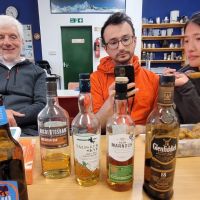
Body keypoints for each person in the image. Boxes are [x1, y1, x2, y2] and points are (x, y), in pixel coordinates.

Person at [90, 12, 159, 131]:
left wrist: (139, 129)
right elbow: (94, 128)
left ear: (135, 41)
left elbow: (160, 123)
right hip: (109, 144)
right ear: (105, 48)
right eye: (113, 42)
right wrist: (111, 102)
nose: (121, 47)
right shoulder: (95, 79)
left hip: (142, 144)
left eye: (126, 39)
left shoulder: (153, 79)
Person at [0, 15, 46, 136]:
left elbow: (41, 105)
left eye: (13, 37)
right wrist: (2, 116)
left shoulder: (38, 72)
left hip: (26, 131)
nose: (6, 42)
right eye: (1, 37)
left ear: (22, 42)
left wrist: (10, 117)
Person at [163, 12, 200, 124]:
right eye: (187, 41)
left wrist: (186, 88)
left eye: (198, 39)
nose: (190, 48)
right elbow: (173, 120)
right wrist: (166, 88)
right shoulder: (184, 74)